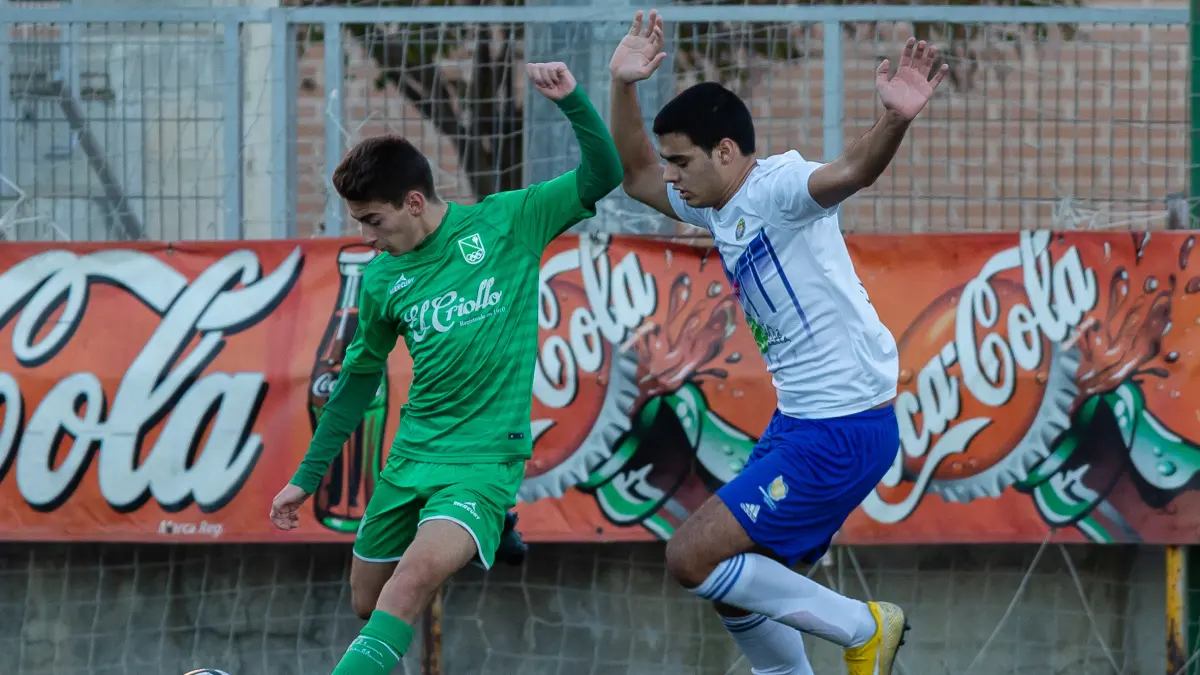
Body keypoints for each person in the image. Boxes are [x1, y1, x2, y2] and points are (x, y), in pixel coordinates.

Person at [607, 9, 948, 675]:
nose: (671, 175)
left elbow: (851, 171)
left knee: (690, 557)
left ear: (725, 152)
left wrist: (894, 120)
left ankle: (865, 627)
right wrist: (622, 84)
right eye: (672, 160)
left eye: (682, 161)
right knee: (735, 579)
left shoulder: (778, 188)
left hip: (842, 426)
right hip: (802, 423)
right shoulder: (716, 204)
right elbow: (637, 174)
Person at [268, 61, 623, 675]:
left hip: (482, 463)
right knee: (369, 602)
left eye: (373, 221)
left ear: (413, 202)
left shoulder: (508, 222)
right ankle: (492, 529)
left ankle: (492, 512)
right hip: (412, 458)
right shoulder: (382, 279)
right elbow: (357, 382)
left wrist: (572, 100)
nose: (367, 237)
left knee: (407, 587)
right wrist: (306, 476)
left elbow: (604, 174)